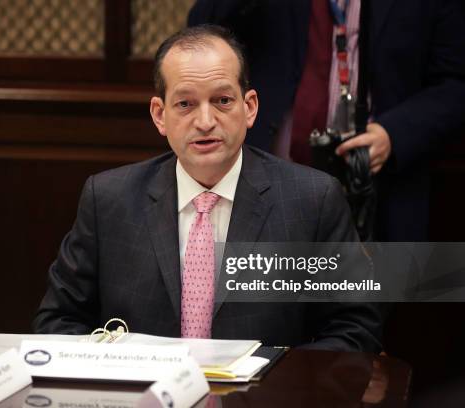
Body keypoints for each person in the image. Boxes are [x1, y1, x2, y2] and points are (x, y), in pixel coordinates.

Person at [33, 25, 382, 352]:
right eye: (185, 104)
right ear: (159, 115)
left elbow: (354, 330)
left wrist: (278, 385)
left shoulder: (312, 201)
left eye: (222, 101)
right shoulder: (109, 199)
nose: (205, 121)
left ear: (249, 108)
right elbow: (57, 321)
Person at [188, 0, 465, 241]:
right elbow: (200, 32)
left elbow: (455, 85)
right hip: (267, 186)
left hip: (376, 193)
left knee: (359, 297)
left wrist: (392, 134)